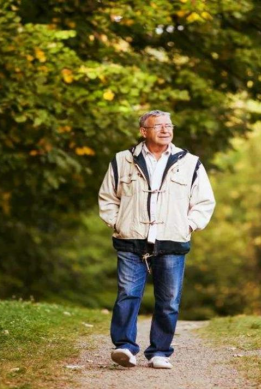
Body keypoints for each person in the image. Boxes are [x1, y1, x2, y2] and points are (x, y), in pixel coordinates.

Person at [98, 110, 216, 369]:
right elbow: (108, 197)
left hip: (172, 240)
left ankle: (160, 352)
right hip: (131, 239)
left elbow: (204, 201)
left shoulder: (190, 162)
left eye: (169, 125)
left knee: (169, 299)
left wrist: (188, 225)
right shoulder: (122, 160)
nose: (166, 130)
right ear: (144, 131)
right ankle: (124, 348)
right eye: (159, 126)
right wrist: (118, 223)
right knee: (127, 294)